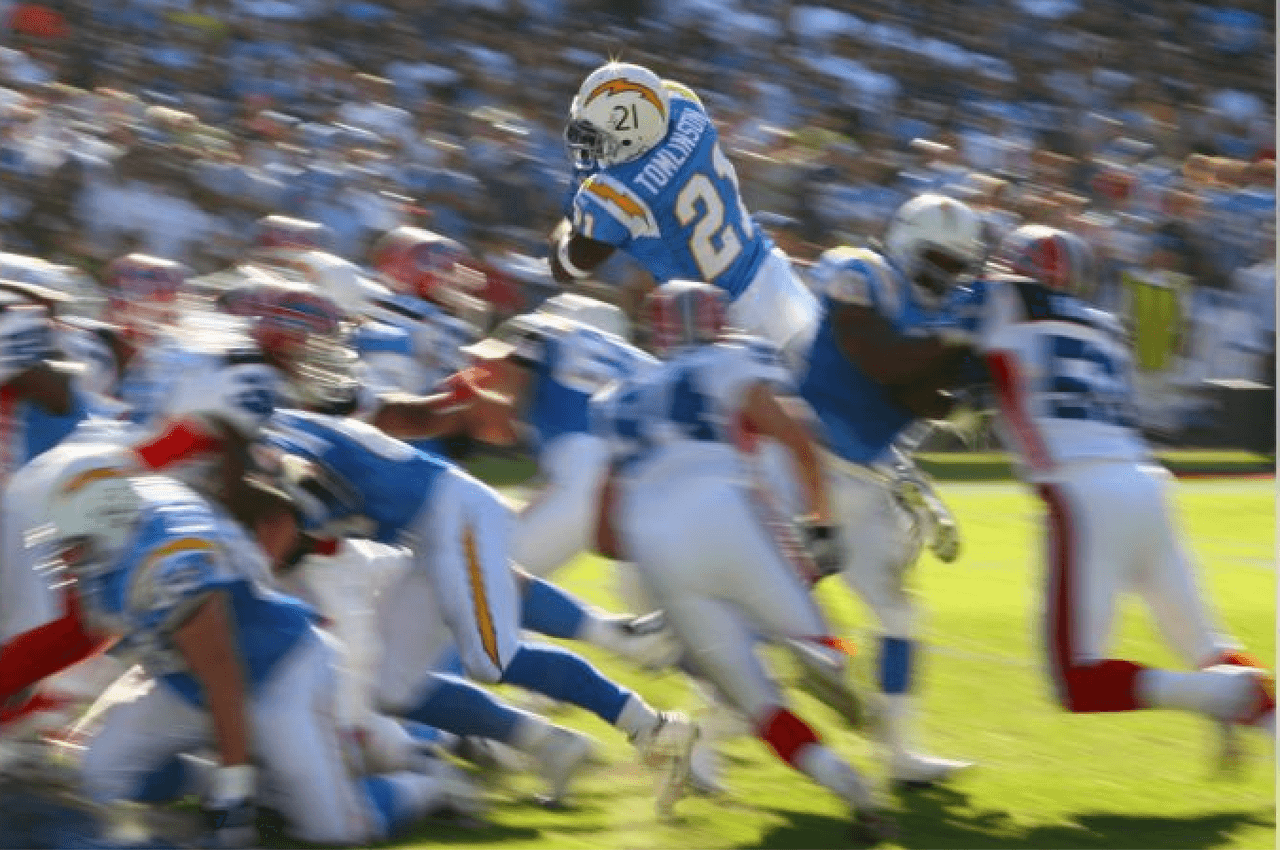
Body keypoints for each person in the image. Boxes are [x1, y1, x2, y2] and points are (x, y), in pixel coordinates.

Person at [258, 409, 699, 815]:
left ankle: (650, 725)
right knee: (392, 688)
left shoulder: (272, 449)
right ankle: (556, 739)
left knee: (491, 656)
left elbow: (307, 497)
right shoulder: (280, 425)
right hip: (422, 532)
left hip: (447, 514)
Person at [31, 445, 476, 847]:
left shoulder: (164, 561)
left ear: (108, 525)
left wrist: (234, 791)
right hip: (183, 676)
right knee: (98, 777)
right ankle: (252, 784)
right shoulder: (134, 521)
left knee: (335, 830)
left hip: (277, 672)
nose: (68, 556)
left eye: (77, 542)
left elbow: (223, 674)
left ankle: (427, 782)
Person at [941, 223, 1274, 752]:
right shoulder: (1106, 328)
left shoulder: (1001, 303)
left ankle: (1214, 696)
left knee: (1076, 678)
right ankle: (1256, 712)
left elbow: (957, 348)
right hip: (1146, 485)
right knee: (1208, 645)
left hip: (1083, 493)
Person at [590, 280, 891, 841]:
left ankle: (854, 791)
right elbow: (798, 438)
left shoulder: (616, 395)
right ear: (714, 321)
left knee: (759, 706)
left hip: (654, 546)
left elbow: (604, 537)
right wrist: (821, 521)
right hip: (725, 507)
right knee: (830, 642)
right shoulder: (728, 359)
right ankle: (826, 659)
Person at [791, 193, 982, 785]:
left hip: (867, 479)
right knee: (769, 613)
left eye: (956, 266)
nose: (944, 275)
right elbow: (879, 359)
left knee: (900, 616)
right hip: (804, 469)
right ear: (902, 239)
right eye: (936, 259)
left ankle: (899, 756)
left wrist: (946, 375)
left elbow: (925, 399)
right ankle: (700, 744)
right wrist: (951, 353)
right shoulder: (861, 272)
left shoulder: (946, 314)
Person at [548, 62, 818, 361]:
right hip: (772, 273)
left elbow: (567, 268)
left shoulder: (615, 190)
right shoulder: (684, 105)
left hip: (723, 325)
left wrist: (574, 206)